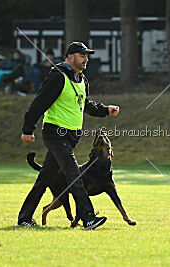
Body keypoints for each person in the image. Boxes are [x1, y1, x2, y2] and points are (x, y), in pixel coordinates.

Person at [17, 42, 120, 230]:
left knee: (45, 178)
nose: (86, 59)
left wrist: (105, 110)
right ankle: (88, 217)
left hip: (71, 137)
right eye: (82, 56)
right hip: (55, 133)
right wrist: (27, 129)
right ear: (71, 57)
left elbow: (86, 105)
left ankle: (24, 217)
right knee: (74, 175)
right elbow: (39, 104)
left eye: (87, 55)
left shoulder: (81, 79)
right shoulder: (58, 77)